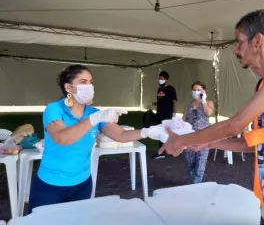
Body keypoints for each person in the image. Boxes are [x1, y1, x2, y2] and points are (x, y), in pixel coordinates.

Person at [159, 10, 264, 224]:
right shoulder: (263, 86)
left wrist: (181, 140)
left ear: (257, 41)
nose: (236, 49)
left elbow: (235, 125)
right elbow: (259, 144)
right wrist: (210, 144)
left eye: (239, 42)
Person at [28, 64, 153, 213]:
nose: (89, 86)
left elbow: (121, 135)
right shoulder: (54, 109)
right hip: (50, 185)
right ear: (69, 88)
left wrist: (149, 132)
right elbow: (62, 138)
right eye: (83, 82)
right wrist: (94, 119)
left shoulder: (94, 112)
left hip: (82, 183)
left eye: (91, 82)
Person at [182, 81, 214, 183]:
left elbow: (208, 113)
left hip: (203, 138)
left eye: (198, 90)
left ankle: (196, 185)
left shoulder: (209, 103)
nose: (196, 92)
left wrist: (203, 101)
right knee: (190, 163)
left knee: (200, 164)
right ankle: (194, 182)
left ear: (203, 91)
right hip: (189, 137)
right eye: (194, 90)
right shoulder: (188, 104)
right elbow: (184, 119)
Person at [151, 71, 177, 159]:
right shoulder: (159, 90)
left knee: (167, 132)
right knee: (160, 132)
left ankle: (168, 151)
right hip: (159, 114)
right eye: (159, 78)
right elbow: (160, 101)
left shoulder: (171, 89)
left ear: (166, 79)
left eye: (161, 78)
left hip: (167, 114)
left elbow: (174, 102)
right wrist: (152, 104)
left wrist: (174, 113)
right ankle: (162, 151)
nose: (160, 80)